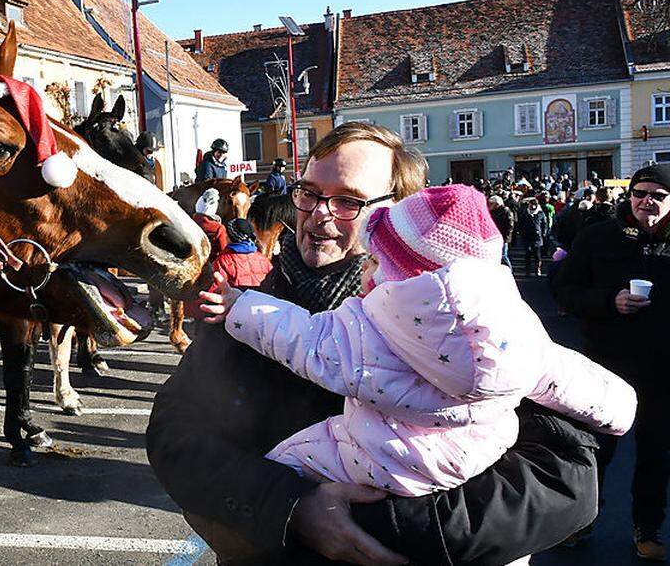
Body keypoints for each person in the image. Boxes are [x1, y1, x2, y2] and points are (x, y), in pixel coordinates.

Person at [146, 122, 604, 565]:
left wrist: (391, 524)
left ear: (397, 211)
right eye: (308, 193)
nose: (318, 214)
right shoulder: (250, 314)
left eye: (348, 201)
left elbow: (568, 480)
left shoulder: (464, 321)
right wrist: (292, 508)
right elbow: (173, 434)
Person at [202, 185, 634, 513]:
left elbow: (305, 338)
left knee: (283, 466)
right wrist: (622, 407)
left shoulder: (375, 324)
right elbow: (570, 377)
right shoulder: (518, 329)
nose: (367, 270)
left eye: (375, 262)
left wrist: (241, 305)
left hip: (377, 457)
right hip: (472, 462)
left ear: (400, 275)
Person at [553, 163, 670, 560]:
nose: (646, 201)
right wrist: (608, 301)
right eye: (640, 193)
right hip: (606, 364)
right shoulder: (599, 236)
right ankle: (580, 523)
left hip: (662, 369)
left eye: (657, 194)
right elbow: (564, 289)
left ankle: (647, 528)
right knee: (593, 451)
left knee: (655, 453)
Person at [192, 188, 228, 259]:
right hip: (212, 262)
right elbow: (223, 249)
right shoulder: (219, 228)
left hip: (195, 260)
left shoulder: (191, 222)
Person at [516, 197, 547, 276]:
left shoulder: (540, 213)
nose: (533, 207)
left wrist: (543, 233)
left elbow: (544, 224)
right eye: (531, 205)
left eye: (535, 205)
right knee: (528, 253)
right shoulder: (524, 213)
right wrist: (521, 232)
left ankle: (538, 269)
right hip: (527, 236)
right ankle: (527, 270)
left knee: (537, 254)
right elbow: (520, 223)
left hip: (537, 237)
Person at [488, 194, 515, 269]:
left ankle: (510, 270)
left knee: (503, 255)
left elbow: (510, 226)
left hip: (503, 237)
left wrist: (506, 238)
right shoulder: (493, 212)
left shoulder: (506, 211)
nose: (490, 205)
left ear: (497, 204)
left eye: (491, 203)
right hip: (495, 236)